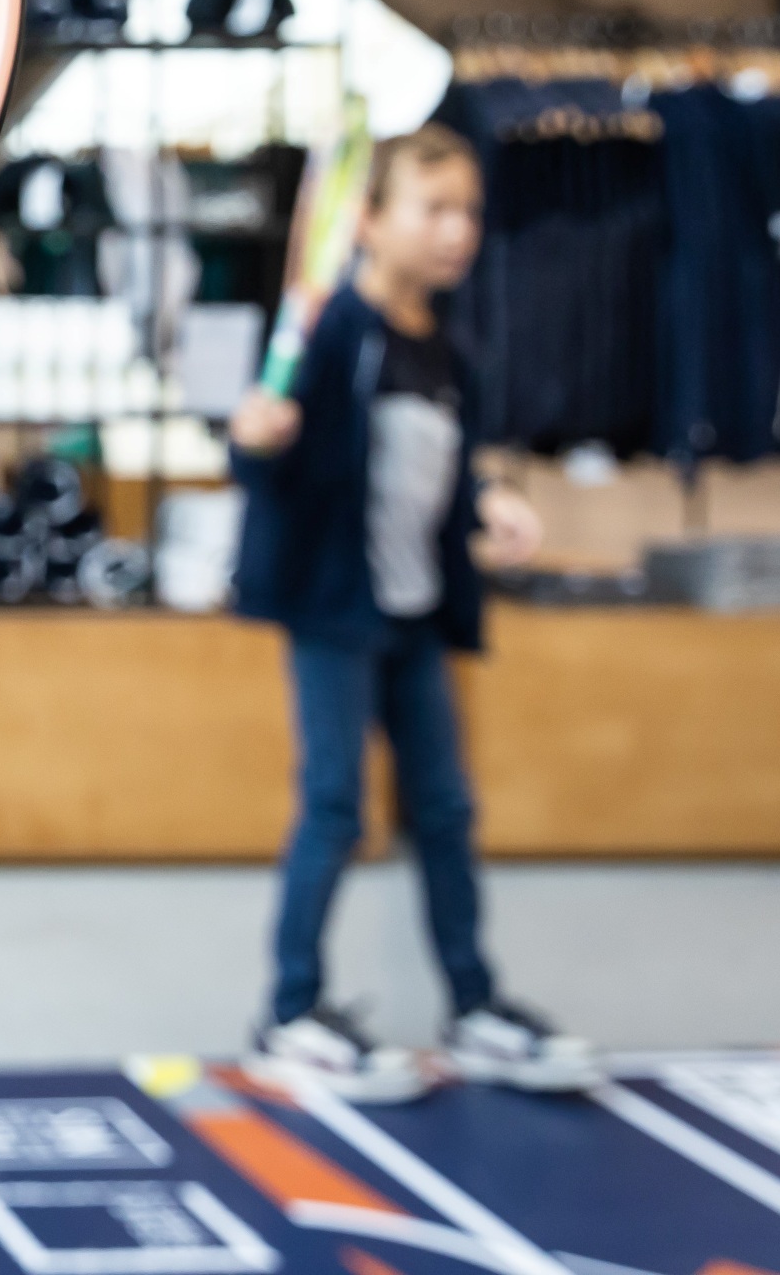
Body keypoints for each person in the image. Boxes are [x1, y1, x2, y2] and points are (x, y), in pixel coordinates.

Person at [227, 123, 596, 1101]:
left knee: (443, 808)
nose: (457, 229)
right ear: (372, 219)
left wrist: (488, 502)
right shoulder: (332, 331)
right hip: (332, 613)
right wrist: (256, 440)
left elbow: (446, 474)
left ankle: (474, 1005)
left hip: (416, 619)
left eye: (469, 210)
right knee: (336, 806)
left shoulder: (448, 352)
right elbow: (268, 458)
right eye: (434, 208)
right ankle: (289, 1012)